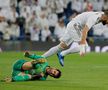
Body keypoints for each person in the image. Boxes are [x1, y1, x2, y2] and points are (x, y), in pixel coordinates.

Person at [42, 11, 108, 66]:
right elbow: (85, 31)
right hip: (75, 26)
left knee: (62, 46)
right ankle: (62, 54)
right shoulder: (94, 18)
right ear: (106, 17)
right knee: (85, 47)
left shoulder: (102, 15)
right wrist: (82, 47)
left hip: (74, 25)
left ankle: (41, 57)